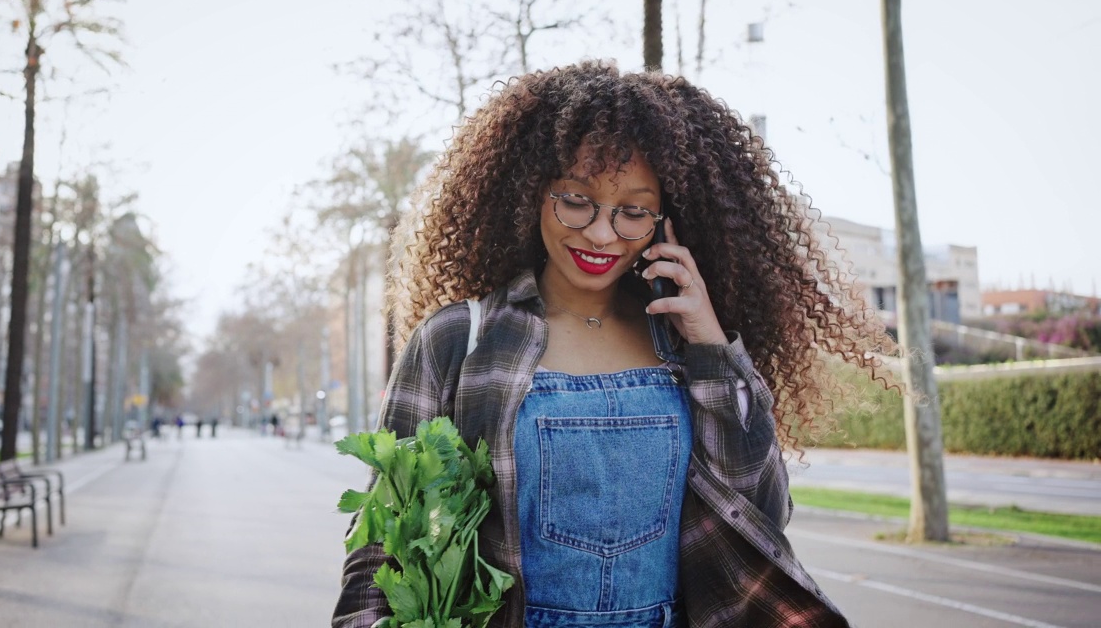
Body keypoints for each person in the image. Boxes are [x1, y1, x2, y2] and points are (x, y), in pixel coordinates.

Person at [333, 62, 893, 628]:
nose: (601, 234)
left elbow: (763, 515)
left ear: (666, 221)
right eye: (576, 201)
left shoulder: (685, 344)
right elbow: (383, 543)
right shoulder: (459, 340)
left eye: (633, 212)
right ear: (532, 193)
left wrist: (712, 347)